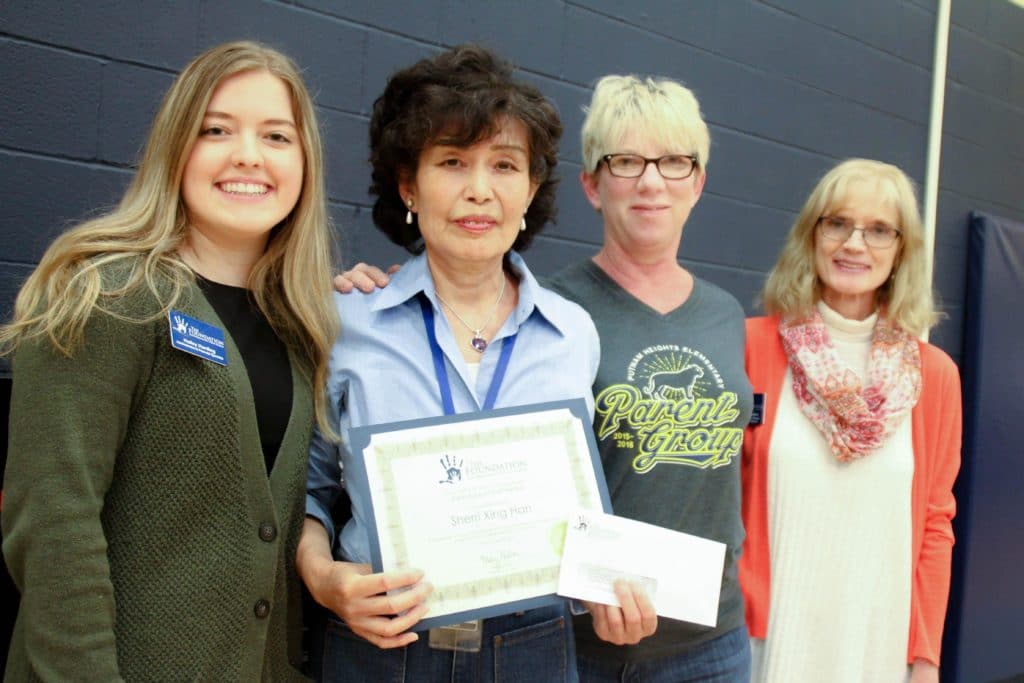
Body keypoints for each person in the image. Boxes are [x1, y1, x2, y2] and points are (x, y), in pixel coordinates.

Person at [336, 74, 754, 683]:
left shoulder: (684, 318)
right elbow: (313, 483)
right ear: (591, 183)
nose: (651, 181)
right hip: (443, 639)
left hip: (692, 629)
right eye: (628, 161)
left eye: (674, 162)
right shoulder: (550, 313)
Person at [1, 41, 337, 680]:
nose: (248, 155)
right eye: (217, 130)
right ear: (176, 145)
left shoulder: (300, 325)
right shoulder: (107, 293)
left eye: (276, 136)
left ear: (305, 163)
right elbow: (53, 523)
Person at [297, 45, 600, 682]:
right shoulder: (344, 320)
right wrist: (324, 580)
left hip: (532, 647)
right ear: (409, 184)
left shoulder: (573, 335)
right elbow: (309, 490)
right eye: (453, 162)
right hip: (380, 643)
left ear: (531, 189)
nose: (479, 191)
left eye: (505, 165)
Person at [740, 159, 962, 683]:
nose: (854, 244)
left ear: (902, 251)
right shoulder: (749, 347)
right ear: (811, 235)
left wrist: (925, 659)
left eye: (879, 230)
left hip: (876, 647)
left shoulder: (935, 377)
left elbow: (935, 527)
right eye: (837, 222)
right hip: (768, 642)